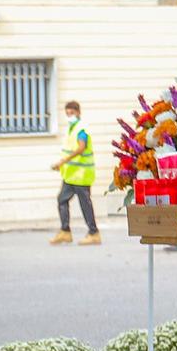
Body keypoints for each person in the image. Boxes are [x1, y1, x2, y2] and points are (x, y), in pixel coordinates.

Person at [52, 99, 100, 245]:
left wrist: (63, 161)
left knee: (85, 204)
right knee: (62, 200)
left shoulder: (81, 129)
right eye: (67, 113)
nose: (69, 116)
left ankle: (94, 233)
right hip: (71, 175)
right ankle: (65, 231)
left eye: (72, 113)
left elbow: (81, 148)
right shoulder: (71, 128)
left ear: (78, 112)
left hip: (81, 174)